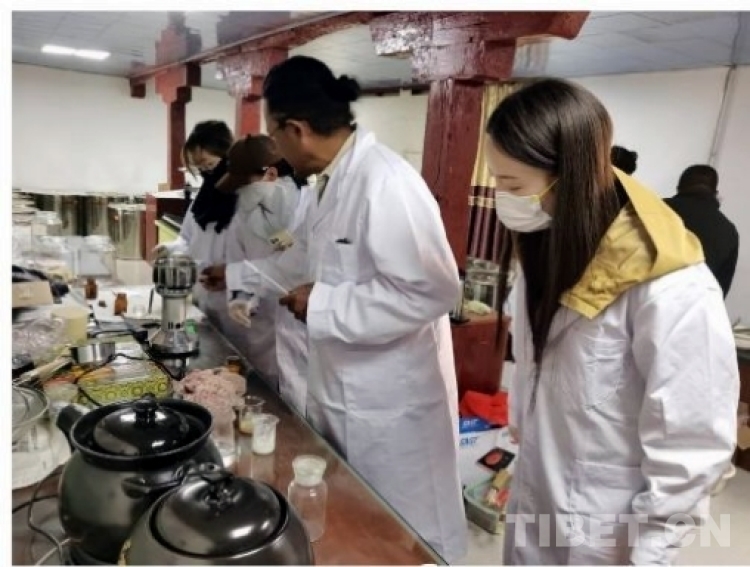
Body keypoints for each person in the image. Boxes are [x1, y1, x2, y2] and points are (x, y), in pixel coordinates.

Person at [210, 55, 468, 562]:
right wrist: (236, 275)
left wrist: (324, 303)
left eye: (274, 136)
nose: (277, 150)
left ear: (296, 129)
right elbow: (298, 262)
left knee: (406, 535)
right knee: (355, 526)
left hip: (390, 406)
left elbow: (434, 290)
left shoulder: (385, 182)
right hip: (342, 390)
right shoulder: (326, 185)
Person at [485, 78, 739, 565]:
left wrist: (652, 552)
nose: (501, 198)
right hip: (540, 496)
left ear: (570, 178)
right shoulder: (550, 240)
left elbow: (691, 443)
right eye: (496, 179)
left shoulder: (670, 284)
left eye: (512, 186)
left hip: (606, 534)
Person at [215, 134, 301, 389]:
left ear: (271, 175)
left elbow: (297, 268)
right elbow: (237, 259)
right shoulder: (244, 214)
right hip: (260, 324)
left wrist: (245, 279)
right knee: (264, 393)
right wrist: (240, 298)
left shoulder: (306, 209)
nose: (242, 192)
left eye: (246, 184)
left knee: (297, 395)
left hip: (298, 323)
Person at [152, 120, 245, 349]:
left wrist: (232, 274)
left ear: (227, 155)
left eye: (209, 164)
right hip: (205, 297)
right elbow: (188, 239)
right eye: (199, 168)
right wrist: (170, 248)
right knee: (209, 351)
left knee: (238, 358)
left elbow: (258, 257)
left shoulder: (246, 199)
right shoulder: (202, 200)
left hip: (237, 303)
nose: (206, 173)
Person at [665, 165, 739, 297]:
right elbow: (720, 289)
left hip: (639, 299)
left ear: (678, 188)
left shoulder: (654, 209)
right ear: (715, 193)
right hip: (691, 305)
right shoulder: (729, 231)